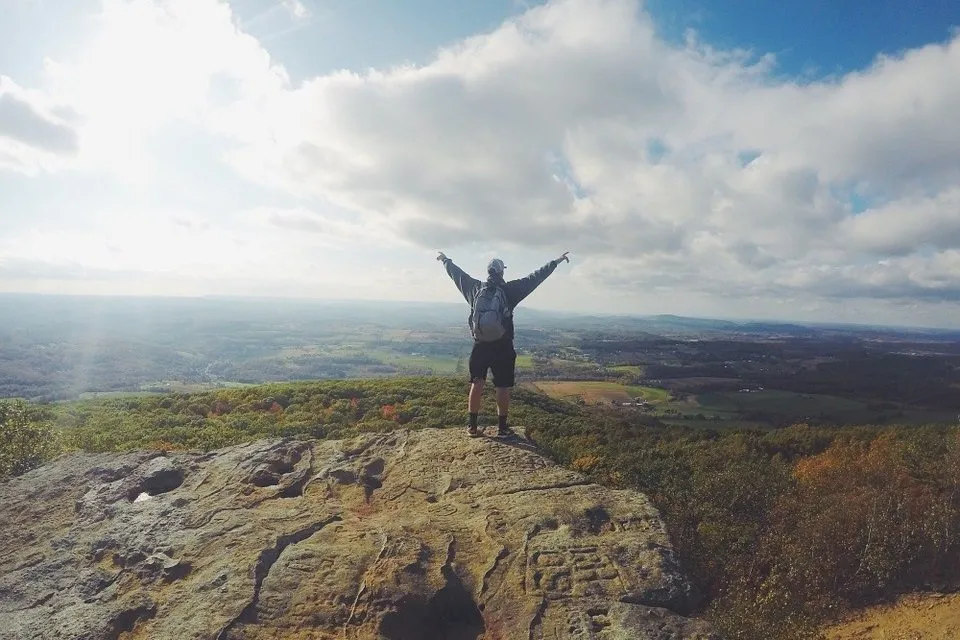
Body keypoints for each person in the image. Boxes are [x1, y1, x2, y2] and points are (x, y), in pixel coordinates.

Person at [436, 250, 570, 437]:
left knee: (477, 383)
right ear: (502, 272)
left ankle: (472, 427)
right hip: (503, 345)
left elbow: (456, 274)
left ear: (488, 271)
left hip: (480, 345)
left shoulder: (474, 288)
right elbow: (535, 278)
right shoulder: (509, 290)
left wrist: (445, 260)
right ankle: (502, 428)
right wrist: (555, 262)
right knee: (502, 387)